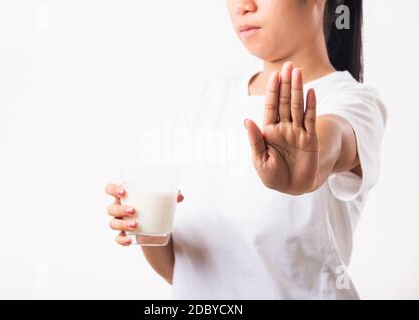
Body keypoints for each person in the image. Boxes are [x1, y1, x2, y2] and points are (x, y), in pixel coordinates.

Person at [105, 0, 387, 299]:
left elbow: (334, 139)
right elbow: (185, 273)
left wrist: (309, 166)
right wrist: (147, 227)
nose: (243, 6)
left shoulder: (352, 102)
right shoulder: (207, 101)